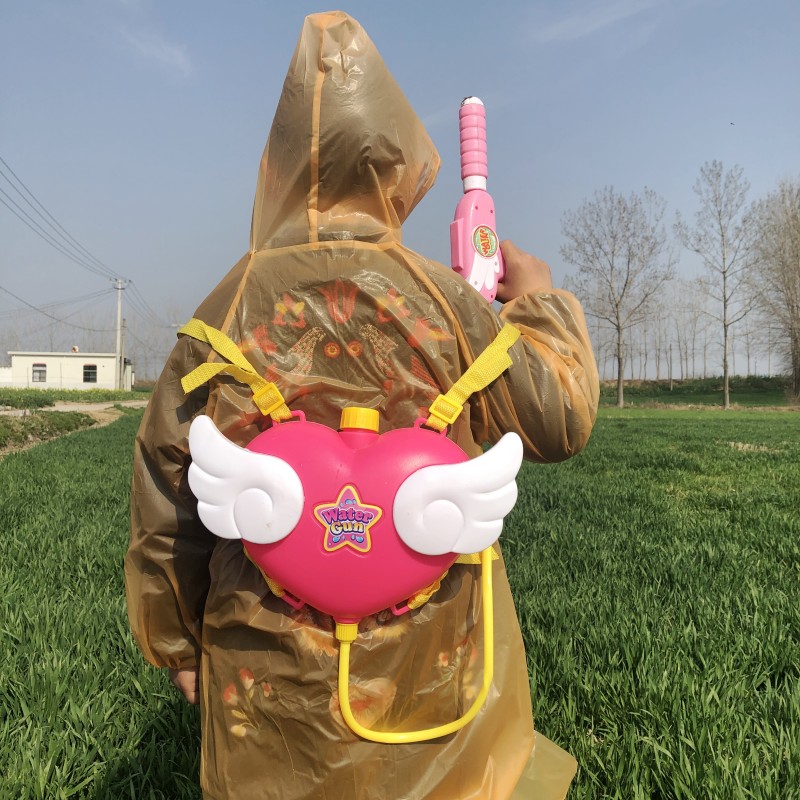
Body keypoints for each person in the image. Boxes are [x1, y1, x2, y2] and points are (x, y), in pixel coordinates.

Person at [125, 11, 599, 800]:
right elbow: (560, 418)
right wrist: (539, 303)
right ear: (399, 164)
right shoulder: (449, 305)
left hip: (265, 664)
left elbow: (167, 492)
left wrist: (177, 645)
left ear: (277, 164)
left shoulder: (225, 310)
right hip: (433, 656)